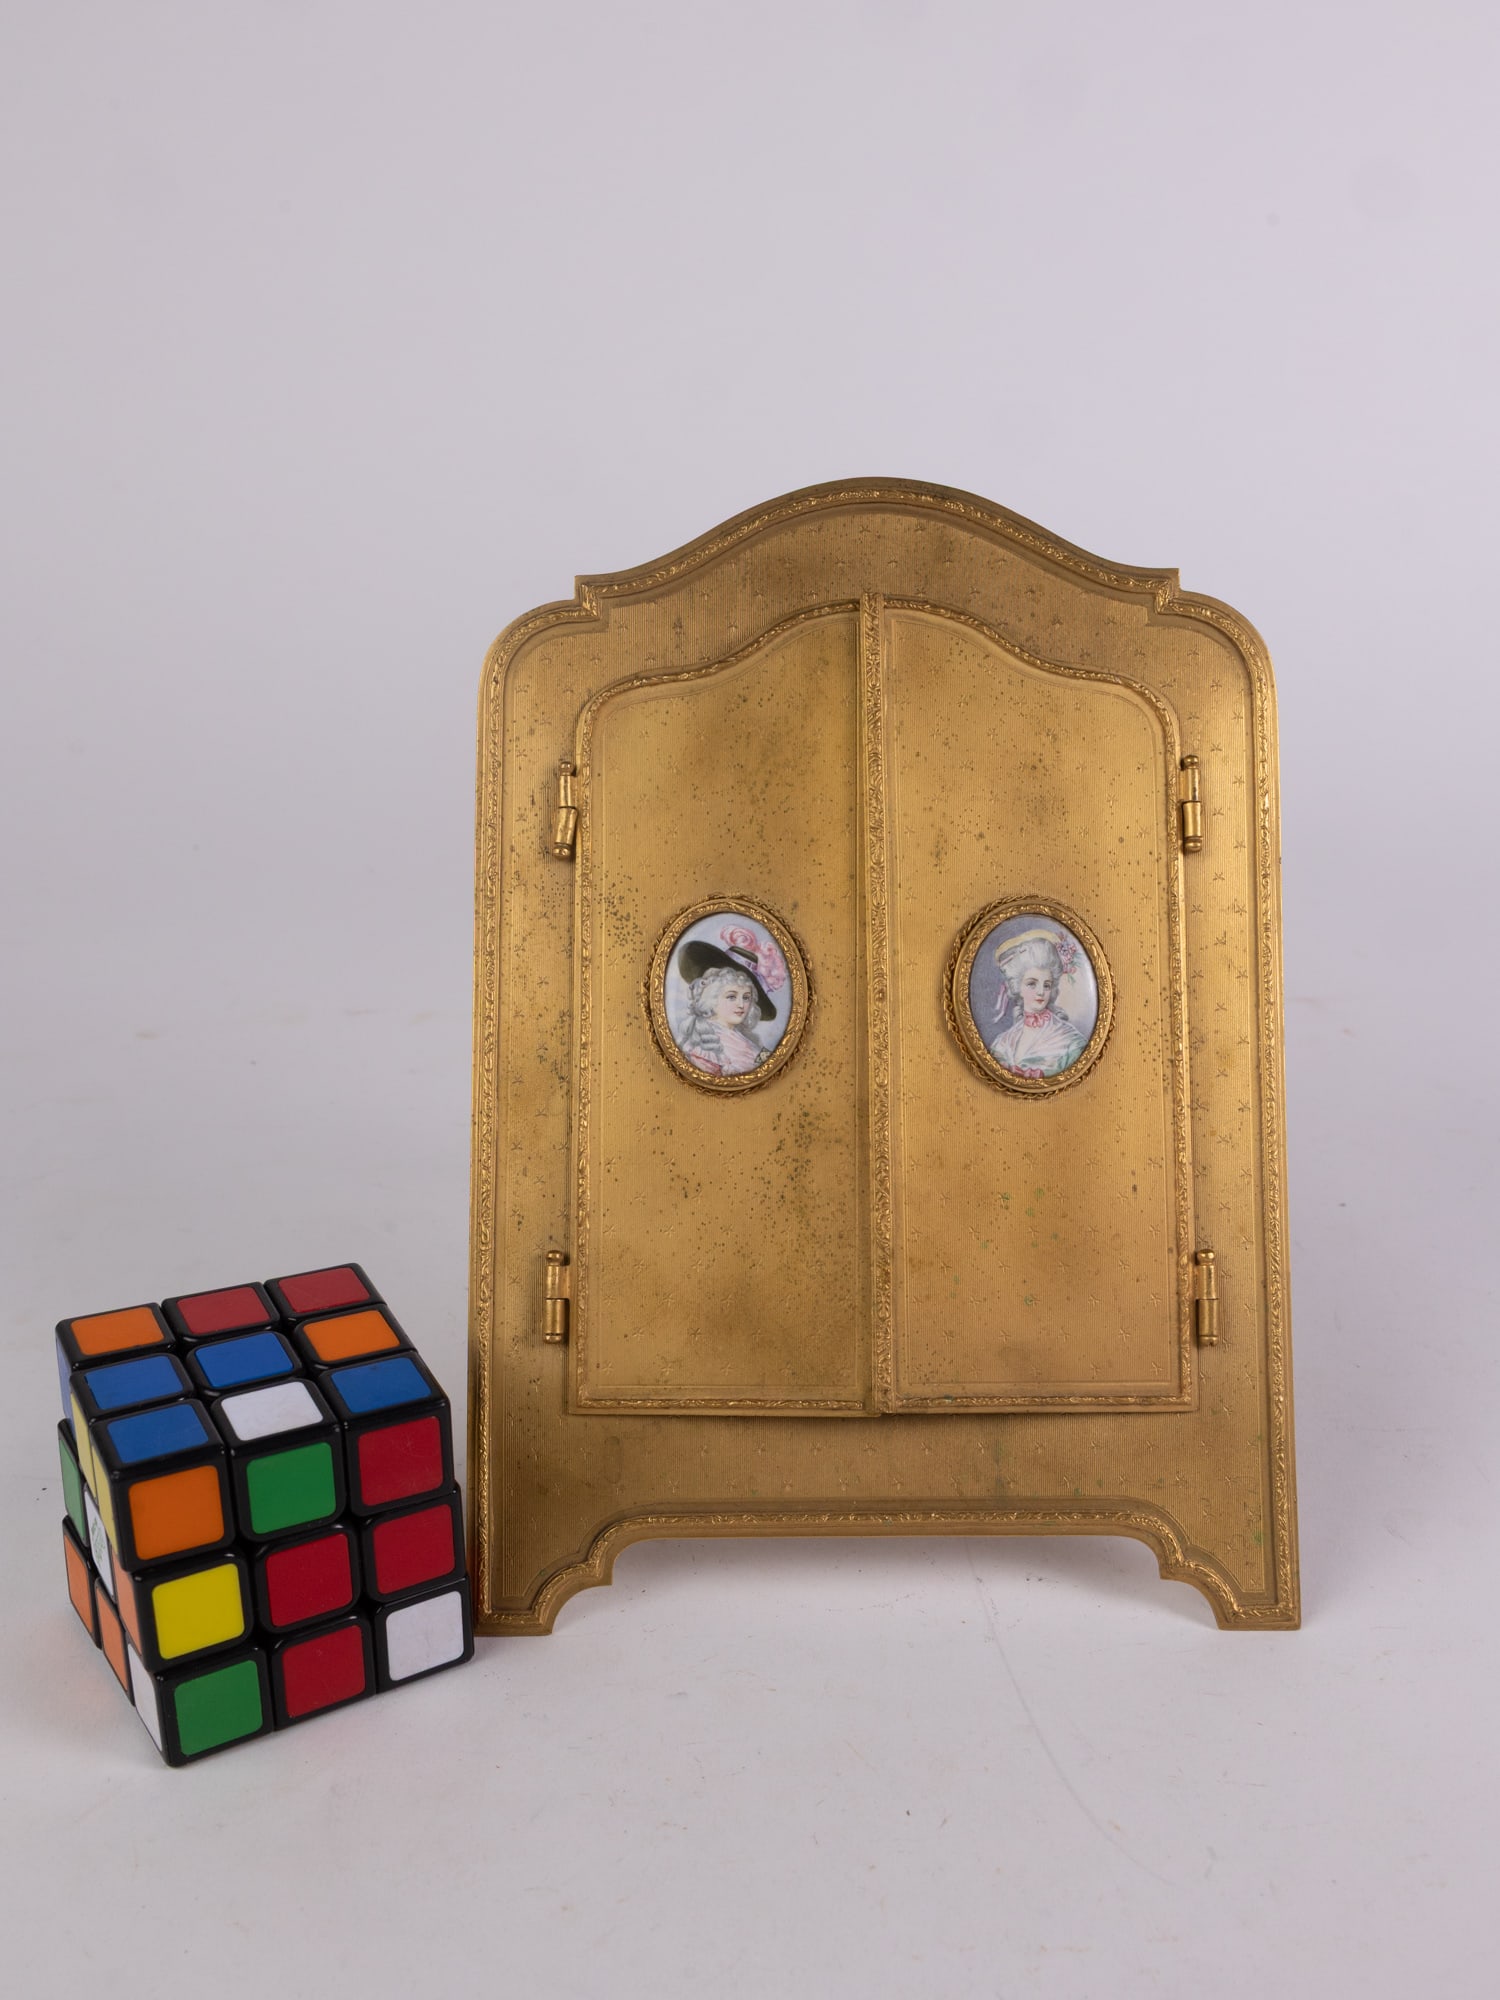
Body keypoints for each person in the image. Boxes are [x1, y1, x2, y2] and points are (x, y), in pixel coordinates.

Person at [673, 924, 786, 1077]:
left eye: (746, 997)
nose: (741, 1005)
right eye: (731, 996)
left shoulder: (747, 1039)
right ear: (712, 997)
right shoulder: (702, 1047)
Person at [987, 928, 1086, 1079]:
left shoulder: (1070, 1041)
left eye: (1046, 985)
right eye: (1032, 984)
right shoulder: (1003, 1043)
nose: (1041, 992)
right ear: (1017, 986)